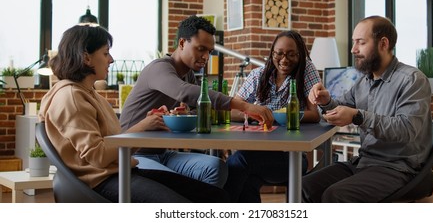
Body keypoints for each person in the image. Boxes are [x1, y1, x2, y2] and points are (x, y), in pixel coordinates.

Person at [38, 24, 228, 202]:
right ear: (86, 58)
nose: (111, 60)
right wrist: (142, 127)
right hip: (101, 181)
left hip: (119, 172)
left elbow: (115, 145)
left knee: (215, 197)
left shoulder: (88, 94)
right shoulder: (71, 97)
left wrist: (146, 124)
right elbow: (98, 156)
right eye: (105, 53)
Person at [119, 15, 273, 188]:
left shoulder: (188, 74)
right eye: (200, 49)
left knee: (216, 167)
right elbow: (186, 92)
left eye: (209, 51)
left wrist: (182, 113)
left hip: (163, 153)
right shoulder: (159, 67)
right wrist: (245, 106)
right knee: (174, 183)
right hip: (134, 155)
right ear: (182, 43)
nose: (206, 56)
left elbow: (200, 108)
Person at [302, 15, 432, 203]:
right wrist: (326, 100)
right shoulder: (364, 81)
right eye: (354, 42)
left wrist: (358, 116)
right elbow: (342, 107)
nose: (353, 49)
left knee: (335, 195)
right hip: (364, 162)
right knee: (303, 187)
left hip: (398, 168)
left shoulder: (412, 80)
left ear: (383, 44)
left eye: (361, 43)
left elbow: (407, 129)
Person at [224, 30, 321, 202]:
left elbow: (314, 114)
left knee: (237, 163)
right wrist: (255, 113)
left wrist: (273, 115)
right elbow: (232, 110)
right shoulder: (257, 75)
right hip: (257, 150)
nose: (284, 60)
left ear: (300, 55)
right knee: (245, 179)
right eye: (280, 54)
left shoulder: (307, 71)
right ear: (272, 53)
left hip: (290, 155)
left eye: (292, 54)